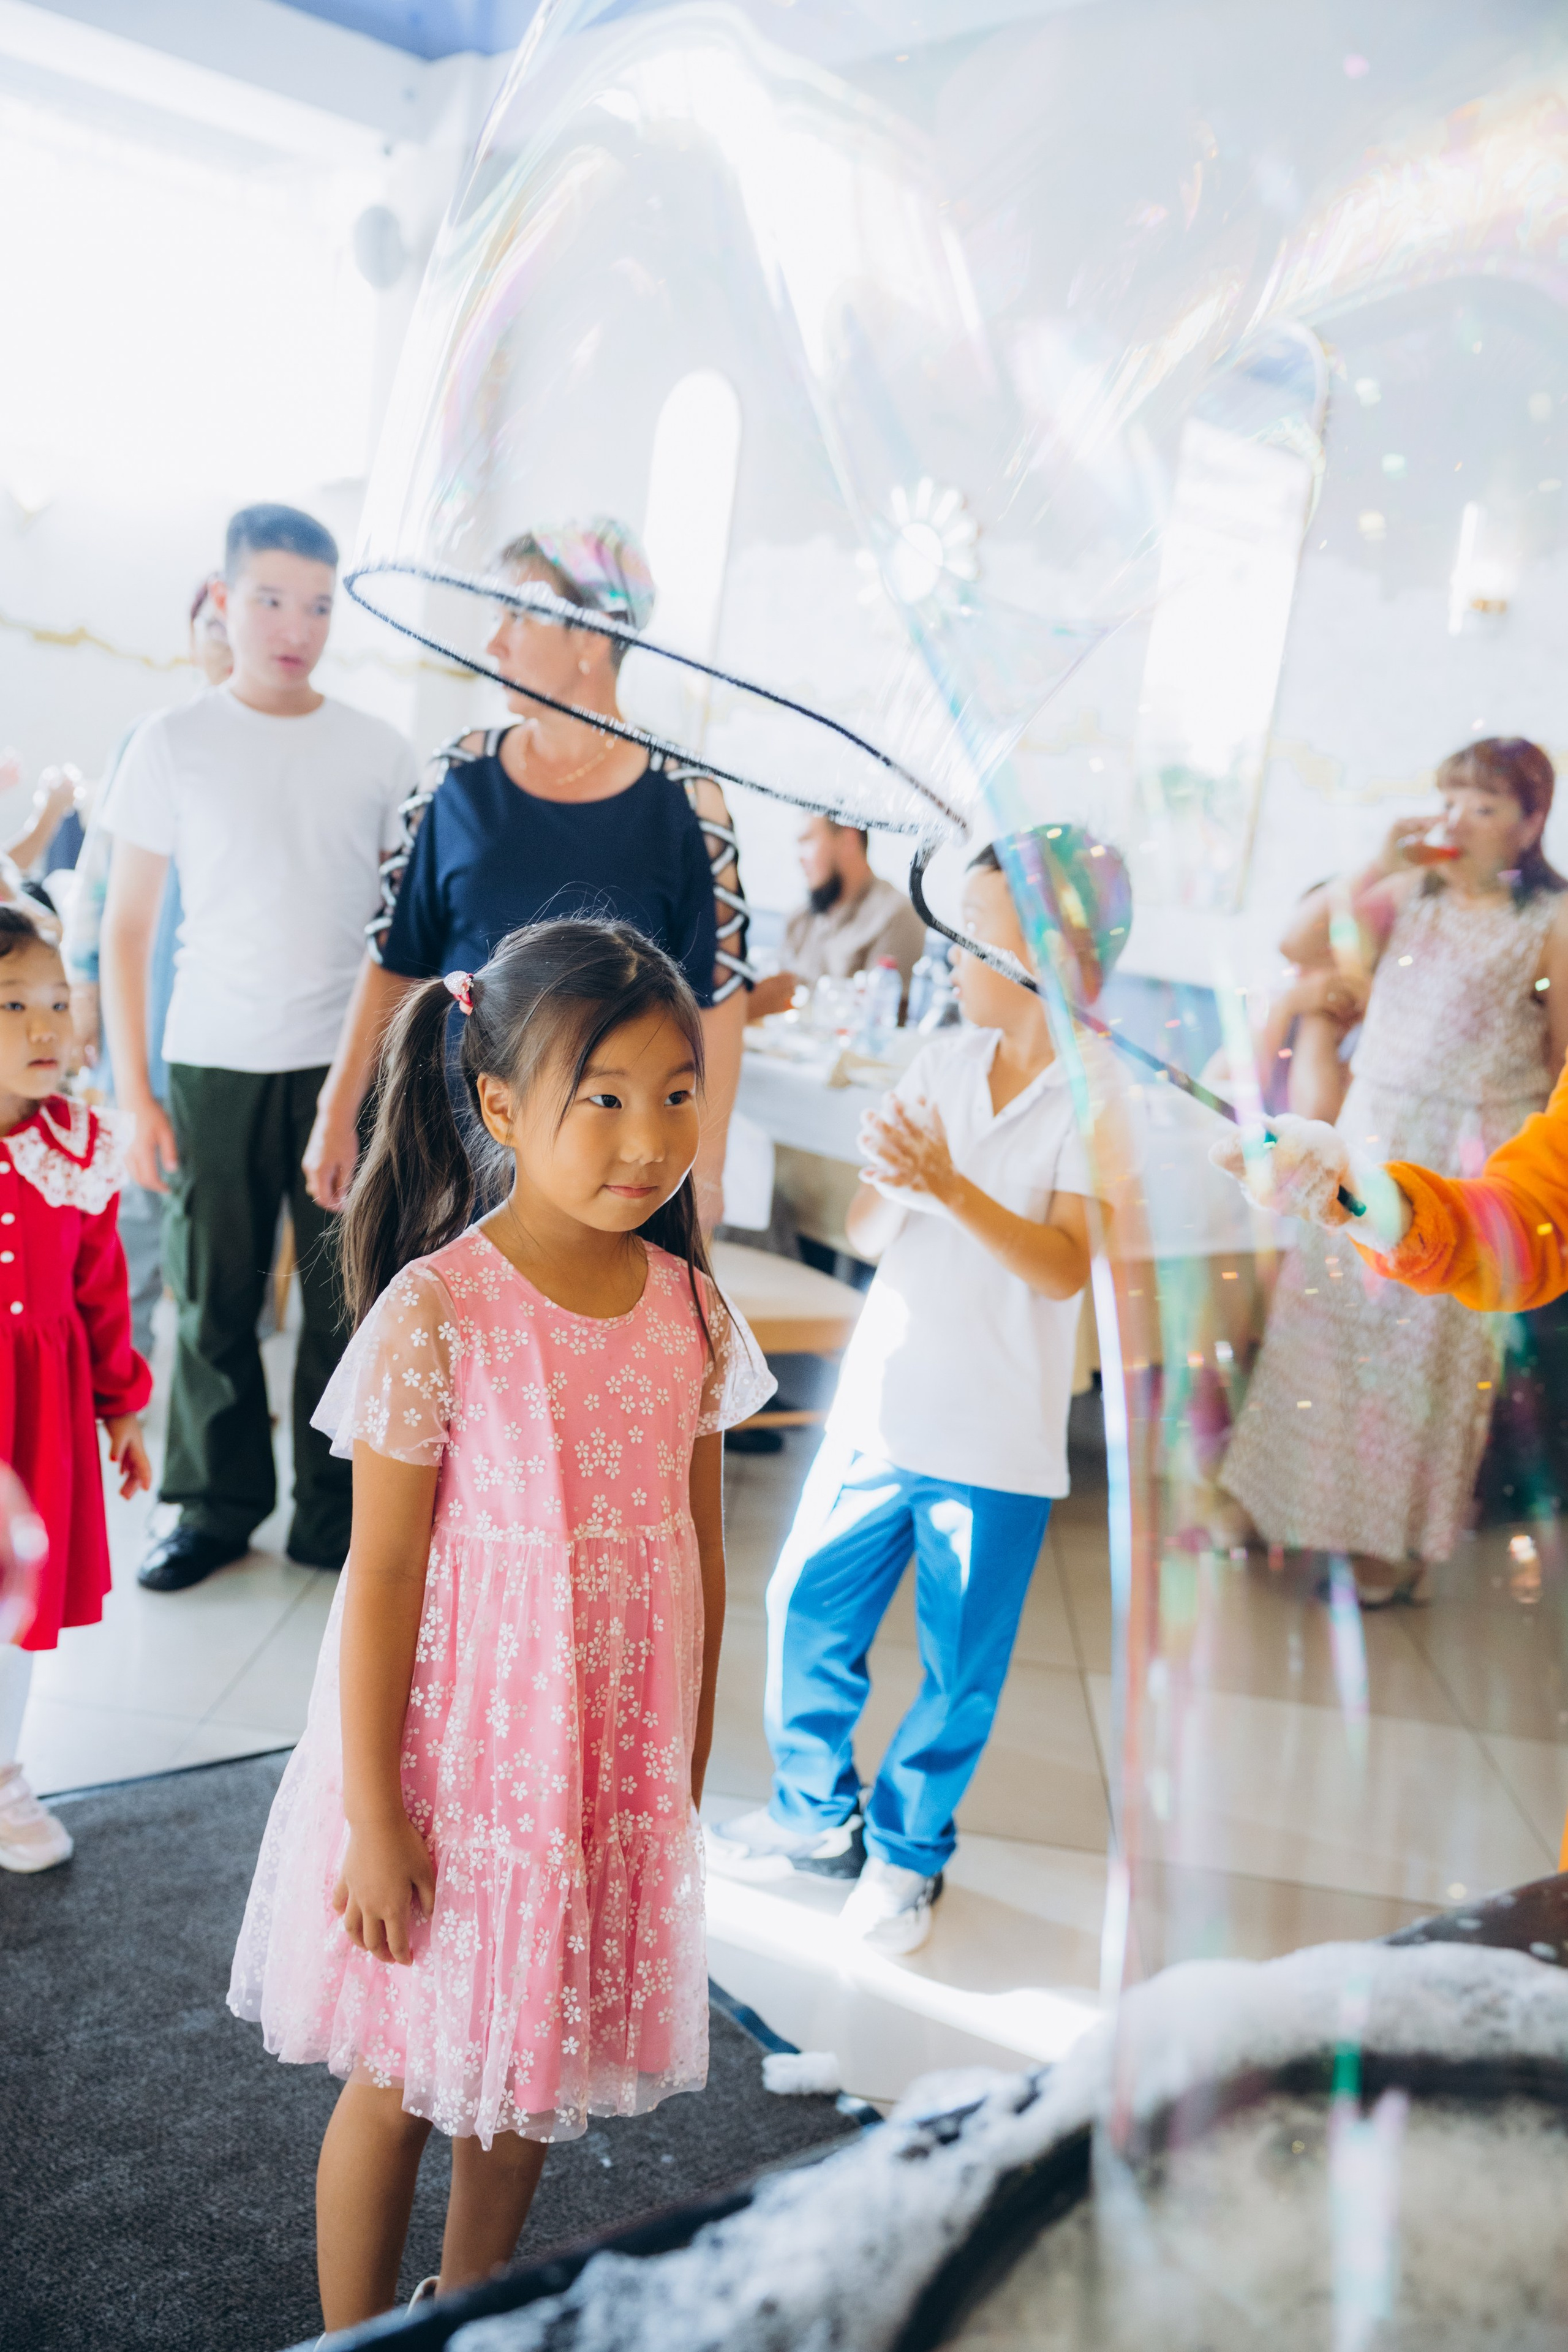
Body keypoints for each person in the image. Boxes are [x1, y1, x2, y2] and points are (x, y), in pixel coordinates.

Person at [227, 919, 771, 2331]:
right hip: (455, 1775)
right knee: (401, 2075)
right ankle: (355, 2333)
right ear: (500, 1106)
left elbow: (700, 1552)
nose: (647, 1138)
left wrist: (681, 1759)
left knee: (533, 2067)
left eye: (676, 1094)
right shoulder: (441, 1311)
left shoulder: (693, 1311)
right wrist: (375, 1816)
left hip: (597, 1770)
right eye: (605, 1097)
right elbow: (383, 1574)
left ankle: (464, 2305)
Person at [709, 829, 1121, 1952]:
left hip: (997, 1436)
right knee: (807, 1605)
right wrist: (900, 1184)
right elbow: (863, 1228)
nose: (954, 953)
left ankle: (905, 1855)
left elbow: (1061, 1267)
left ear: (1052, 950)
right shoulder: (942, 1060)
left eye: (977, 932)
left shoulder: (1097, 1095)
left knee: (958, 1668)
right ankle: (812, 1815)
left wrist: (949, 1183)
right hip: (883, 1405)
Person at [99, 505, 420, 1592]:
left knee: (345, 1302)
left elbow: (402, 933)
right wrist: (136, 1094)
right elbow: (128, 928)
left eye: (319, 606)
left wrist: (374, 1080)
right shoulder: (172, 740)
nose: (296, 628)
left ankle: (336, 1518)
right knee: (213, 1297)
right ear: (224, 600)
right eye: (273, 600)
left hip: (348, 1065)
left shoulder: (379, 750)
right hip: (213, 1059)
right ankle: (212, 1507)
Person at [303, 517, 751, 1231]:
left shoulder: (688, 803)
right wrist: (337, 1108)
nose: (494, 642)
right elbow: (394, 956)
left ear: (593, 635)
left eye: (518, 614)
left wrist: (707, 1170)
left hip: (620, 1160)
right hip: (456, 1144)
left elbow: (717, 1002)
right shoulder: (458, 779)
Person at [1218, 738, 1568, 1605]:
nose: (1457, 821)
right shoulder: (1412, 891)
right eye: (1449, 800)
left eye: (1483, 806)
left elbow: (1562, 1054)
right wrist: (1380, 860)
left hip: (1473, 1153)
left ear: (1530, 823)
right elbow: (1297, 942)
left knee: (1422, 1360)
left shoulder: (1553, 921)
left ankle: (1393, 1545)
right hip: (1373, 1130)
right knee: (1323, 1328)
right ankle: (1279, 1506)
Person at [0, 905, 151, 1872]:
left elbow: (101, 1289)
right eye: (13, 1004)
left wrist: (122, 1406)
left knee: (14, 1604)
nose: (46, 1027)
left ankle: (2, 1771)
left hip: (35, 1416)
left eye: (59, 1001)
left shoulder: (80, 1146)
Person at [64, 573, 233, 1359]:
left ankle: (208, 1382)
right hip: (147, 1016)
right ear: (193, 639)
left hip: (231, 1038)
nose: (228, 643)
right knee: (130, 1214)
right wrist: (84, 988)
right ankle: (116, 1381)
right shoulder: (152, 738)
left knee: (218, 1234)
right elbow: (97, 878)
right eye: (213, 626)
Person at [749, 816, 927, 1018]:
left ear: (848, 840)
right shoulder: (800, 917)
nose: (799, 858)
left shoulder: (896, 916)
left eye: (808, 841)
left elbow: (878, 1020)